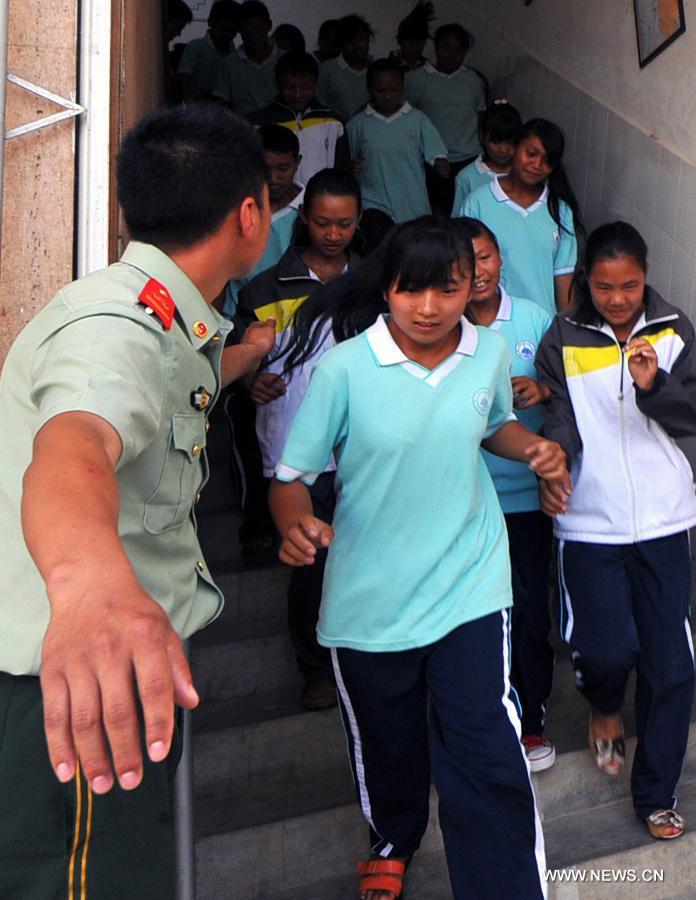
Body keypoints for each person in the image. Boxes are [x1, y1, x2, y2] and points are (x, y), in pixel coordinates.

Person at [0, 104, 275, 898]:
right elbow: (73, 447)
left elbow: (158, 397)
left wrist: (242, 352)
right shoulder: (115, 326)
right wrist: (91, 589)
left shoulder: (163, 315)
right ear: (249, 214)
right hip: (75, 683)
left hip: (108, 671)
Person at [269, 216, 567, 899]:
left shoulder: (489, 352)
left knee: (486, 746)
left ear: (473, 285)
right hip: (370, 594)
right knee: (389, 740)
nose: (429, 308)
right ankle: (394, 837)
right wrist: (295, 524)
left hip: (469, 577)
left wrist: (534, 448)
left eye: (448, 289)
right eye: (411, 291)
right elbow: (291, 477)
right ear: (386, 290)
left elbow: (493, 426)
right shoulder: (346, 368)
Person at [537, 221, 696, 841]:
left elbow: (691, 414)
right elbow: (560, 413)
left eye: (629, 286)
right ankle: (605, 709)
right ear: (586, 283)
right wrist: (555, 464)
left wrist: (654, 385)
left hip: (665, 517)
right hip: (589, 521)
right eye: (605, 288)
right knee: (604, 651)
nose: (619, 300)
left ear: (646, 275)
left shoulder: (676, 330)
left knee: (672, 662)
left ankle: (655, 794)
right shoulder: (563, 336)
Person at [241, 169, 362, 709]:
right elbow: (240, 359)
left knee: (361, 559)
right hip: (294, 451)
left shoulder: (375, 285)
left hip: (363, 448)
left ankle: (365, 660)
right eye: (322, 222)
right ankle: (315, 669)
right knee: (310, 566)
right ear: (303, 219)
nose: (333, 233)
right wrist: (250, 379)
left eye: (344, 223)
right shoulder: (265, 290)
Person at [461, 217, 556, 772]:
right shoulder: (443, 323)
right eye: (467, 261)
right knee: (476, 618)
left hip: (524, 500)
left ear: (500, 260)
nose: (479, 271)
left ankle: (532, 720)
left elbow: (565, 387)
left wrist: (541, 388)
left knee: (526, 610)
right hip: (465, 500)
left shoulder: (533, 317)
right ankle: (487, 720)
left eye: (486, 257)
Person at [462, 118, 583, 317]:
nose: (537, 164)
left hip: (542, 326)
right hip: (489, 323)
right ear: (514, 148)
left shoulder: (560, 211)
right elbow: (463, 268)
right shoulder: (477, 203)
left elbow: (563, 279)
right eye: (531, 153)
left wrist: (565, 332)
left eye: (547, 160)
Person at [346, 58, 448, 251]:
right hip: (374, 202)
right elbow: (346, 161)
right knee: (380, 251)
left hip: (411, 202)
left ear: (402, 88)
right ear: (370, 89)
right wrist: (352, 166)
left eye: (393, 90)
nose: (387, 96)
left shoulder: (417, 119)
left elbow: (436, 151)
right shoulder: (358, 124)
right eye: (380, 90)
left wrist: (440, 162)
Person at [224, 123, 305, 319]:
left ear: (297, 163)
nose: (273, 178)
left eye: (283, 169)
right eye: (265, 169)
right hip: (238, 316)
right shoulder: (236, 207)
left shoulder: (311, 212)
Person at [405, 23, 487, 214]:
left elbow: (481, 116)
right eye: (447, 48)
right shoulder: (418, 79)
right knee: (435, 213)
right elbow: (407, 117)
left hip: (468, 159)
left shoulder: (473, 80)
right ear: (436, 48)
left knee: (464, 212)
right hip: (430, 161)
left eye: (459, 50)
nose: (452, 55)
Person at [252, 51, 348, 186]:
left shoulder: (332, 122)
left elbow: (342, 171)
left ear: (315, 84)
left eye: (306, 88)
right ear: (277, 84)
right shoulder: (258, 123)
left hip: (320, 200)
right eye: (289, 87)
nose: (297, 95)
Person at [451, 100, 522, 215]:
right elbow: (460, 221)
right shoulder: (467, 178)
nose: (503, 149)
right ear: (482, 137)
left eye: (509, 142)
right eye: (496, 142)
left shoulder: (525, 172)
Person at [216, 0, 279, 117]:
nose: (253, 37)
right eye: (246, 31)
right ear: (239, 31)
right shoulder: (229, 64)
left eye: (258, 30)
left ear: (269, 26)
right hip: (244, 129)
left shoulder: (284, 60)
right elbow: (221, 104)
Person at [176, 0, 239, 101]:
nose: (228, 35)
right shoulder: (195, 47)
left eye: (233, 31)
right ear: (211, 22)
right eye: (224, 30)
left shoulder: (236, 55)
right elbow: (183, 83)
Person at [317, 14, 373, 122]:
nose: (358, 46)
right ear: (341, 44)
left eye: (362, 40)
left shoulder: (377, 70)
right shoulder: (327, 70)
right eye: (352, 41)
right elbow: (319, 106)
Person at [390, 0, 435, 74]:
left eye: (419, 41)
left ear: (424, 42)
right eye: (410, 41)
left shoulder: (429, 69)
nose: (414, 46)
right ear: (400, 41)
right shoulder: (387, 67)